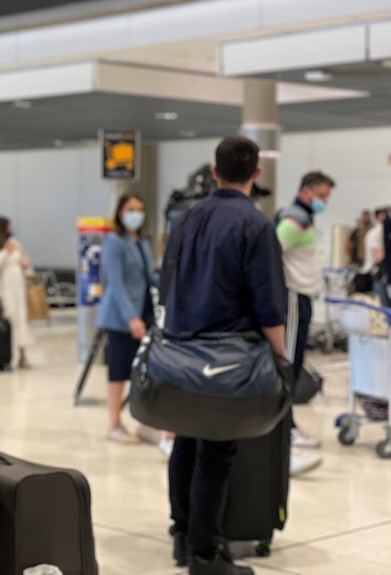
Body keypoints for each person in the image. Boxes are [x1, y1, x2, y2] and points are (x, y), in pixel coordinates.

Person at [167, 136, 287, 575]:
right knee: (217, 453)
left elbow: (167, 286)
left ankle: (181, 535)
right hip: (228, 359)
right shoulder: (256, 226)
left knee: (185, 441)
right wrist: (281, 360)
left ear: (214, 172)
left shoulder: (185, 220)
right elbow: (270, 305)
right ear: (257, 173)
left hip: (179, 352)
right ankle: (205, 555)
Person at [276, 171, 335, 476]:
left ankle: (289, 424)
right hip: (293, 298)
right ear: (307, 191)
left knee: (296, 365)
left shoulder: (305, 219)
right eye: (323, 195)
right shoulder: (294, 219)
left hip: (304, 297)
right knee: (288, 364)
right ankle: (282, 428)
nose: (325, 201)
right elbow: (273, 252)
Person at [95, 194, 155, 444]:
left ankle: (146, 423)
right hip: (121, 315)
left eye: (140, 209)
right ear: (120, 212)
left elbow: (150, 276)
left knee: (145, 369)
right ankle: (114, 424)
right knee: (119, 370)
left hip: (144, 310)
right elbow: (116, 283)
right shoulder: (114, 242)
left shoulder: (142, 242)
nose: (136, 214)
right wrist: (131, 317)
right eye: (131, 209)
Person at [0, 216, 33, 369]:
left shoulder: (14, 243)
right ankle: (7, 355)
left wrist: (25, 265)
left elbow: (22, 258)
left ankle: (23, 355)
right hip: (4, 288)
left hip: (18, 286)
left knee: (21, 318)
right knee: (8, 318)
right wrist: (5, 252)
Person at [361, 209, 388, 306]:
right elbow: (379, 257)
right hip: (377, 276)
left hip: (381, 275)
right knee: (384, 309)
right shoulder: (377, 233)